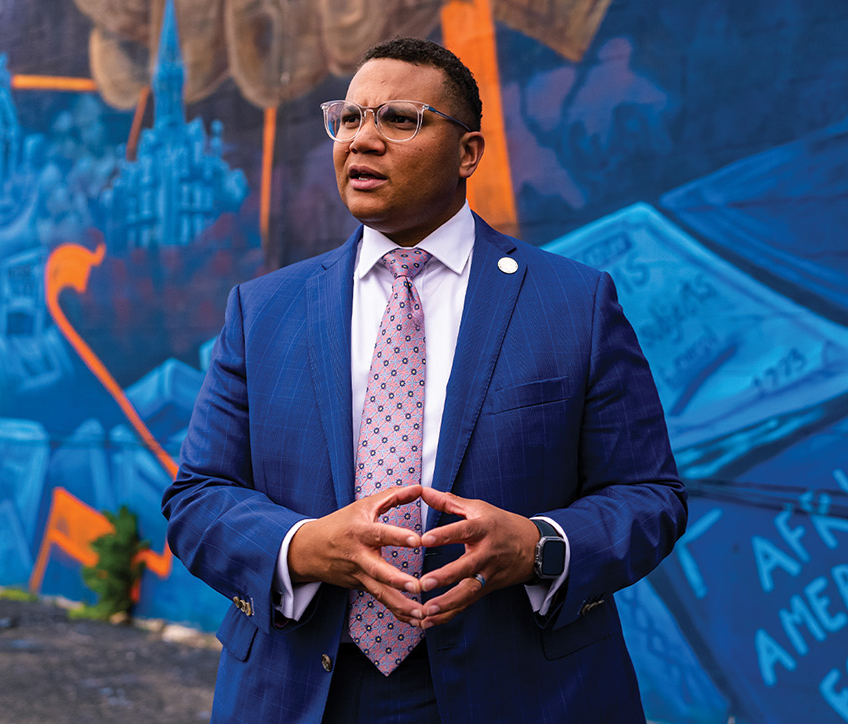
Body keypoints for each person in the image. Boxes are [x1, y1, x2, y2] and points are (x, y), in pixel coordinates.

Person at [163, 37, 687, 724]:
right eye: (349, 119)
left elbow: (650, 496)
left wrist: (538, 547)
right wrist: (303, 547)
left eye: (399, 119)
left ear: (467, 152)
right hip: (303, 690)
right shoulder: (262, 309)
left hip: (525, 691)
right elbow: (198, 498)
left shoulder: (574, 303)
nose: (363, 140)